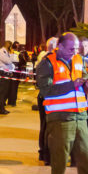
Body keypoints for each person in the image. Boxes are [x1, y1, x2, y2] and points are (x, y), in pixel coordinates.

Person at [35, 32, 88, 174]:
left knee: (87, 158)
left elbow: (84, 82)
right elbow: (46, 90)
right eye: (71, 48)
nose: (74, 51)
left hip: (80, 117)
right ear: (60, 46)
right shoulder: (47, 63)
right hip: (60, 120)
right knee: (59, 162)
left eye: (76, 48)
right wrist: (72, 85)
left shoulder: (79, 60)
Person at [36, 36, 58, 164]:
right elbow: (45, 82)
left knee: (45, 125)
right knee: (47, 126)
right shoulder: (47, 60)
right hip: (46, 97)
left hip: (46, 97)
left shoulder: (47, 59)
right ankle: (45, 154)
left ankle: (43, 152)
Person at [0, 43, 16, 115]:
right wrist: (11, 53)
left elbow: (11, 63)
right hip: (2, 74)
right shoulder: (2, 52)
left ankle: (2, 108)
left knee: (6, 91)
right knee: (3, 92)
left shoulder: (5, 52)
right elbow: (9, 61)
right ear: (9, 46)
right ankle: (1, 109)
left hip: (6, 74)